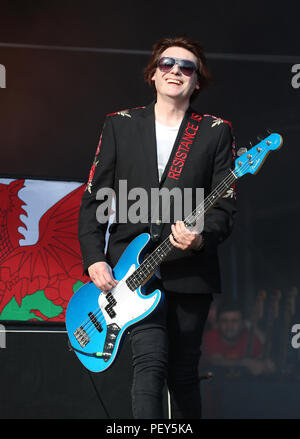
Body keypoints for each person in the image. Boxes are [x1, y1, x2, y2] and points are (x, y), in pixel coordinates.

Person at [78, 36, 237, 419]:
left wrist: (200, 238)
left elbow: (225, 209)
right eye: (167, 64)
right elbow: (95, 199)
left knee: (183, 374)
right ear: (153, 74)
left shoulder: (216, 131)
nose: (176, 71)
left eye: (187, 67)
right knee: (148, 366)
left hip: (190, 273)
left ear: (197, 82)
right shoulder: (120, 125)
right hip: (132, 273)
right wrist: (95, 258)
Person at [201, 301, 275, 376]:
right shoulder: (210, 336)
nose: (229, 326)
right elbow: (215, 360)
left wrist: (265, 365)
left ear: (243, 323)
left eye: (234, 321)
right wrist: (246, 363)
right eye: (224, 321)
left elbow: (264, 355)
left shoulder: (249, 338)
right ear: (218, 323)